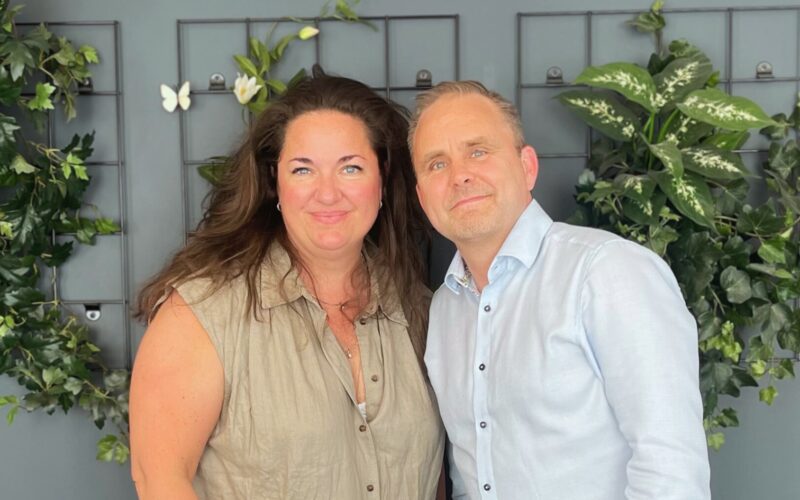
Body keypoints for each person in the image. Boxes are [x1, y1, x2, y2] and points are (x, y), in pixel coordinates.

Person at [129, 68, 444, 500]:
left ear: (383, 179)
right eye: (303, 170)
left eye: (350, 168)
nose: (327, 193)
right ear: (274, 181)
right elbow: (160, 481)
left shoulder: (421, 310)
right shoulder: (201, 314)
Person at [409, 80, 711, 500]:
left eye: (478, 151)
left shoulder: (607, 272)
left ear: (527, 167)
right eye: (437, 164)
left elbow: (670, 470)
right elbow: (469, 476)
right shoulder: (444, 308)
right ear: (423, 198)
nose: (459, 175)